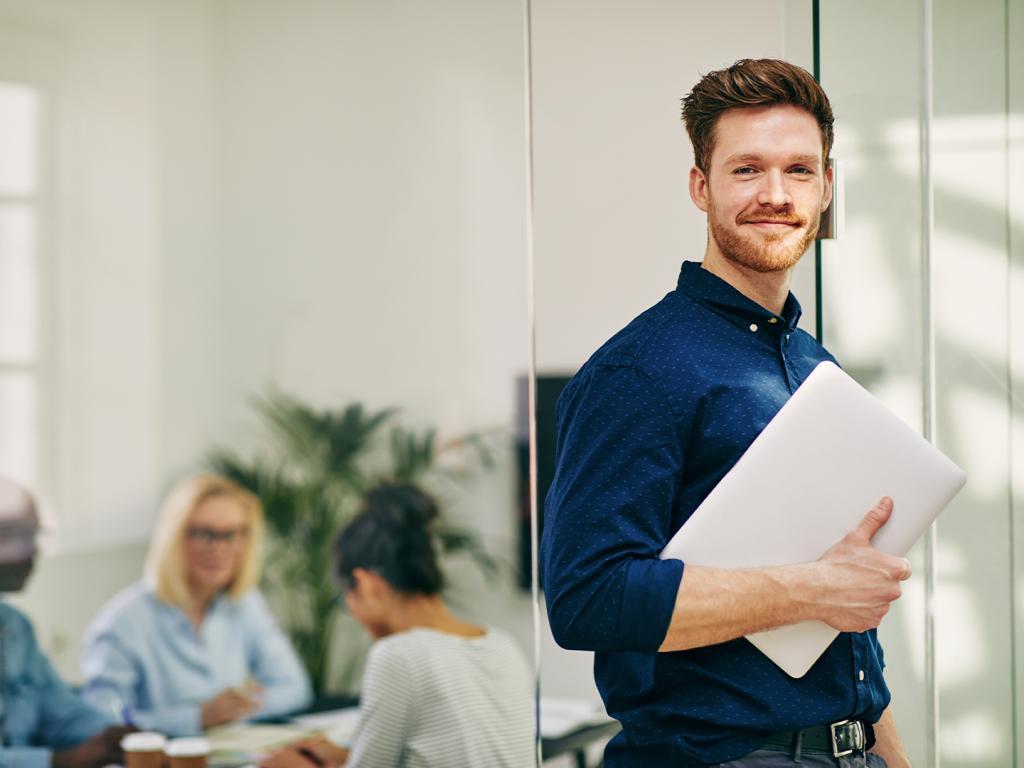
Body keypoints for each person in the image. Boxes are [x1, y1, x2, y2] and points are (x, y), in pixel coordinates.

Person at [540, 59, 913, 767]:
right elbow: (585, 597)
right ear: (700, 187)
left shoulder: (813, 366)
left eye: (800, 171)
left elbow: (848, 629)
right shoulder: (640, 370)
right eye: (747, 170)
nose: (776, 194)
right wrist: (812, 588)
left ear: (828, 188)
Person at [260, 482, 534, 768]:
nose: (352, 613)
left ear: (366, 585)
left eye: (346, 600)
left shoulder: (398, 655)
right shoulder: (503, 644)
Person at [81, 473, 311, 736]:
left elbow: (294, 687)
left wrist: (237, 709)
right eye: (204, 534)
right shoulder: (123, 621)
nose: (219, 548)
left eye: (231, 534)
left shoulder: (245, 604)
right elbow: (102, 721)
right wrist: (194, 718)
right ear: (173, 538)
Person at [0, 475, 131, 767]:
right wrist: (61, 760)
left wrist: (114, 735)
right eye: (19, 536)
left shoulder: (16, 627)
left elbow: (62, 712)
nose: (34, 550)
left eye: (35, 535)